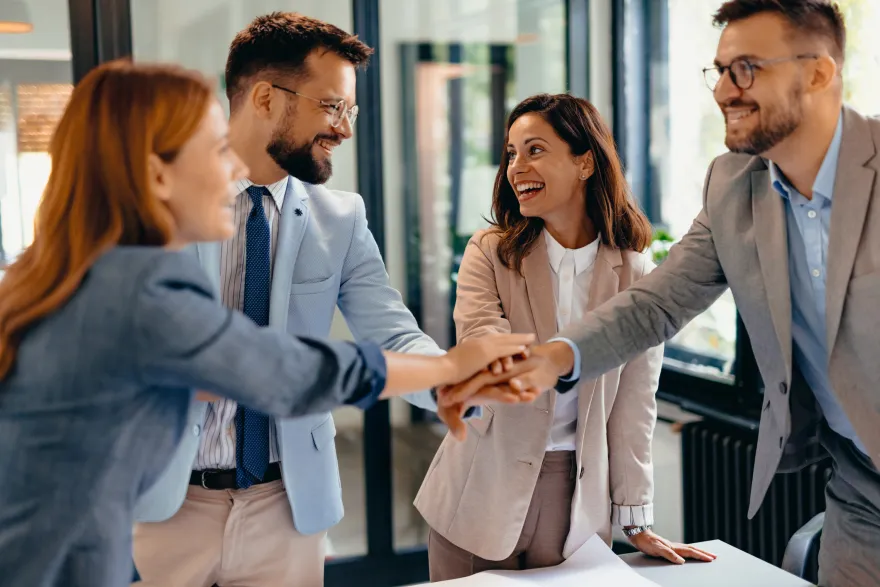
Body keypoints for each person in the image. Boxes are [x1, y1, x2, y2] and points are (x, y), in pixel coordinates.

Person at [0, 60, 539, 587]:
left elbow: (218, 373)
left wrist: (444, 378)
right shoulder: (139, 286)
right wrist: (449, 365)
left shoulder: (74, 275)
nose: (234, 168)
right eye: (216, 150)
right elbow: (283, 372)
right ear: (157, 175)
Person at [446, 2, 880, 586]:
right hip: (859, 488)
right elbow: (657, 306)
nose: (723, 90)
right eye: (719, 71)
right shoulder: (733, 185)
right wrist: (552, 358)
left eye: (746, 69)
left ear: (819, 73)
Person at [130, 12, 500, 587]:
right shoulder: (165, 205)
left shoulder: (341, 217)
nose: (344, 129)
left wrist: (451, 381)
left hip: (288, 504)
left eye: (350, 110)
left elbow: (391, 332)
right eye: (331, 106)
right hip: (165, 500)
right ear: (265, 97)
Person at [415, 94, 715, 581]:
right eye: (511, 153)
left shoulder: (636, 273)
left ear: (584, 163)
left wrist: (635, 518)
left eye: (534, 150)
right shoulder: (489, 252)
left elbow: (634, 403)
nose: (517, 167)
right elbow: (481, 340)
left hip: (574, 499)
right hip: (478, 489)